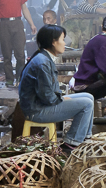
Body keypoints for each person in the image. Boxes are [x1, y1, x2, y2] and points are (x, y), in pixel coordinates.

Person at [19, 24, 94, 153]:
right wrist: (62, 99)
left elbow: (49, 94)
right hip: (37, 110)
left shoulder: (44, 57)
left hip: (41, 104)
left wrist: (62, 98)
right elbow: (47, 96)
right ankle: (71, 144)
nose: (64, 43)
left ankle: (85, 139)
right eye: (63, 39)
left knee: (89, 97)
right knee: (86, 104)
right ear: (54, 42)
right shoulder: (42, 62)